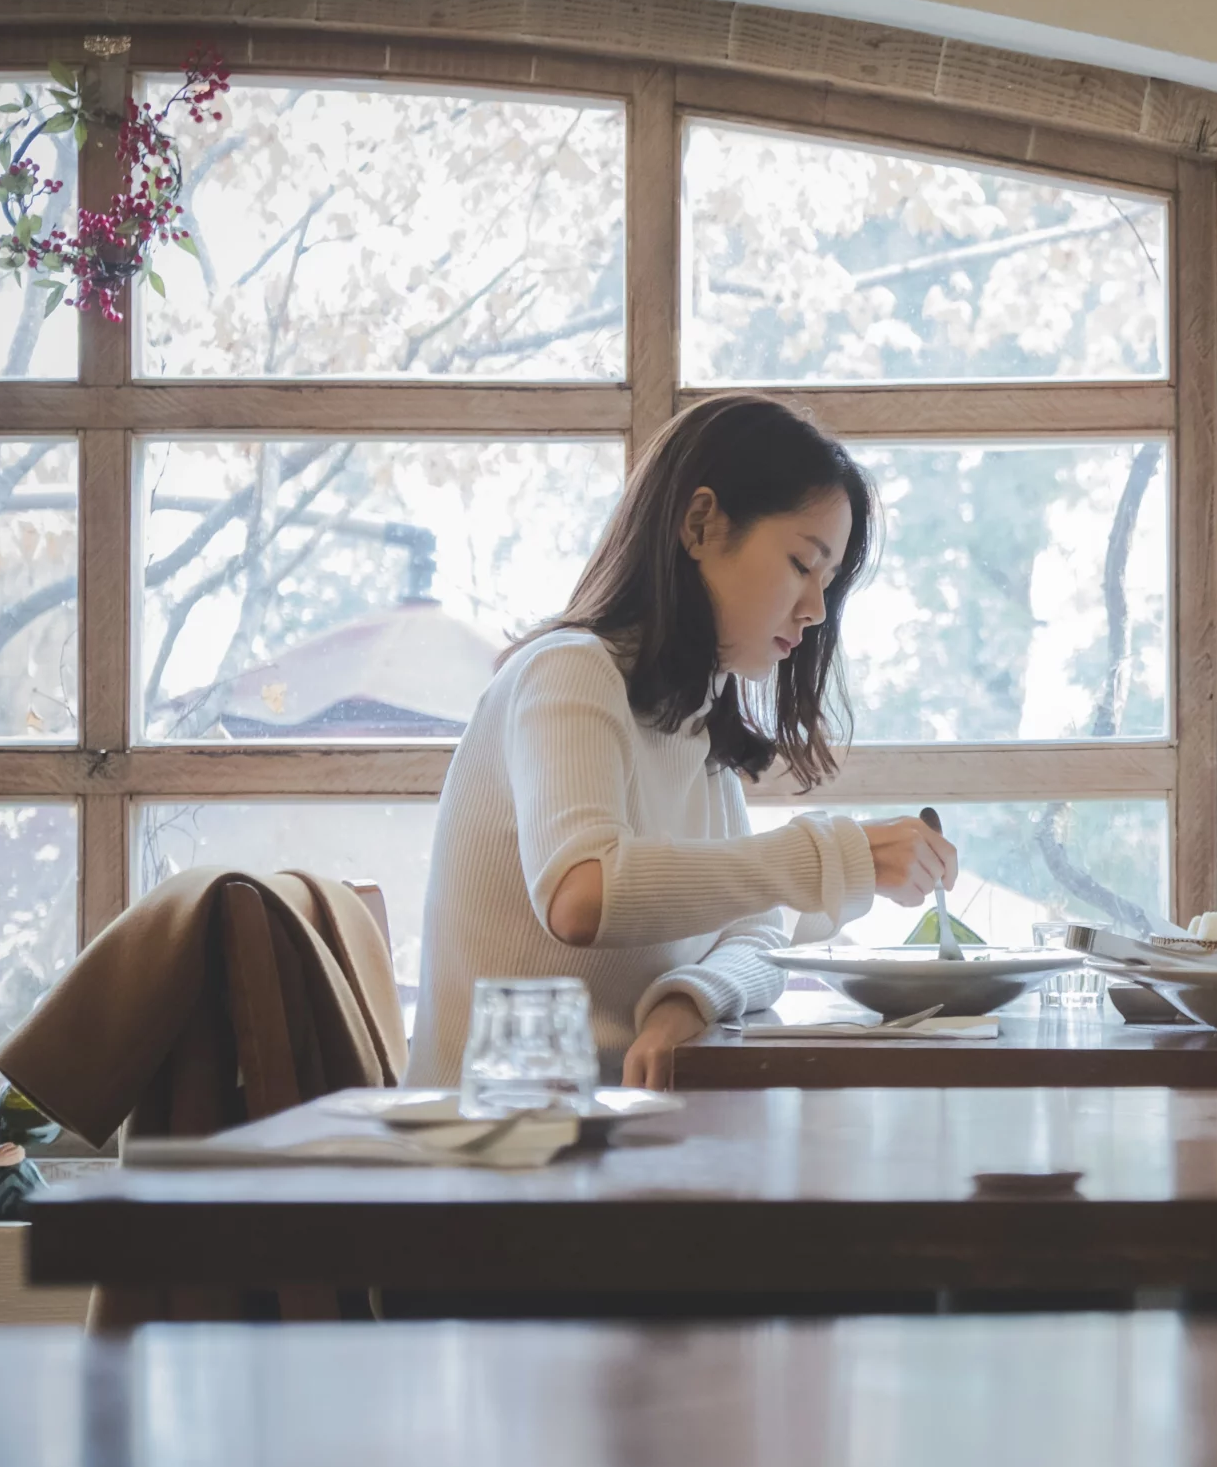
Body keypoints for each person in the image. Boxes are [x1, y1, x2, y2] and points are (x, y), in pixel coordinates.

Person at [408, 395, 955, 1092]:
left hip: (612, 1127)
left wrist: (685, 1002)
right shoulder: (569, 671)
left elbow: (757, 931)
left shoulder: (694, 724)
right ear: (700, 524)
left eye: (828, 581)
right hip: (494, 1137)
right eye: (801, 563)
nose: (816, 610)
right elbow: (581, 893)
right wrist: (834, 854)